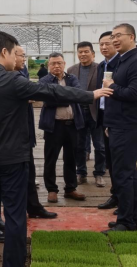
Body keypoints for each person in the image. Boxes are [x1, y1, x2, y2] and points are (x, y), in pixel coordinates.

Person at [0, 32, 109, 267]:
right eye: (15, 53)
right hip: (13, 159)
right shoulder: (12, 80)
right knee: (14, 213)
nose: (16, 58)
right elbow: (52, 92)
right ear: (4, 52)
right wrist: (90, 95)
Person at [102, 23, 137, 233]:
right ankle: (130, 219)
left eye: (118, 35)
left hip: (127, 126)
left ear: (132, 37)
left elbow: (134, 94)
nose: (114, 40)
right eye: (113, 36)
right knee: (125, 174)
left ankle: (127, 222)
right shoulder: (123, 60)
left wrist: (111, 87)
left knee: (124, 175)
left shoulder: (136, 61)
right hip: (118, 125)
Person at [14, 45, 57, 219]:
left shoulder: (21, 71)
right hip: (10, 138)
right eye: (21, 55)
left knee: (29, 171)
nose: (24, 59)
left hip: (25, 132)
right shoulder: (1, 76)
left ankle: (33, 206)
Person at [39, 52, 87, 203]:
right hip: (53, 126)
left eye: (59, 63)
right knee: (50, 158)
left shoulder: (72, 78)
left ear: (64, 64)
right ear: (48, 66)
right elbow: (47, 100)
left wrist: (58, 96)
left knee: (71, 158)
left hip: (72, 125)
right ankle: (52, 189)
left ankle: (70, 188)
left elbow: (77, 95)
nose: (56, 66)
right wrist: (67, 97)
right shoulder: (44, 80)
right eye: (53, 63)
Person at [68, 41, 107, 188]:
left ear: (93, 54)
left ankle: (99, 173)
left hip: (95, 112)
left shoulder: (100, 68)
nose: (83, 54)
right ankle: (81, 173)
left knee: (99, 145)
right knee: (79, 145)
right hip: (78, 112)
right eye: (80, 52)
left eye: (86, 51)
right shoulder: (71, 70)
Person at [96, 32, 121, 211]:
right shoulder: (101, 66)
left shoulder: (121, 64)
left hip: (118, 117)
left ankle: (124, 198)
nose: (104, 47)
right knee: (110, 160)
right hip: (104, 115)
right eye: (101, 44)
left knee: (120, 161)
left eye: (107, 43)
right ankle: (115, 194)